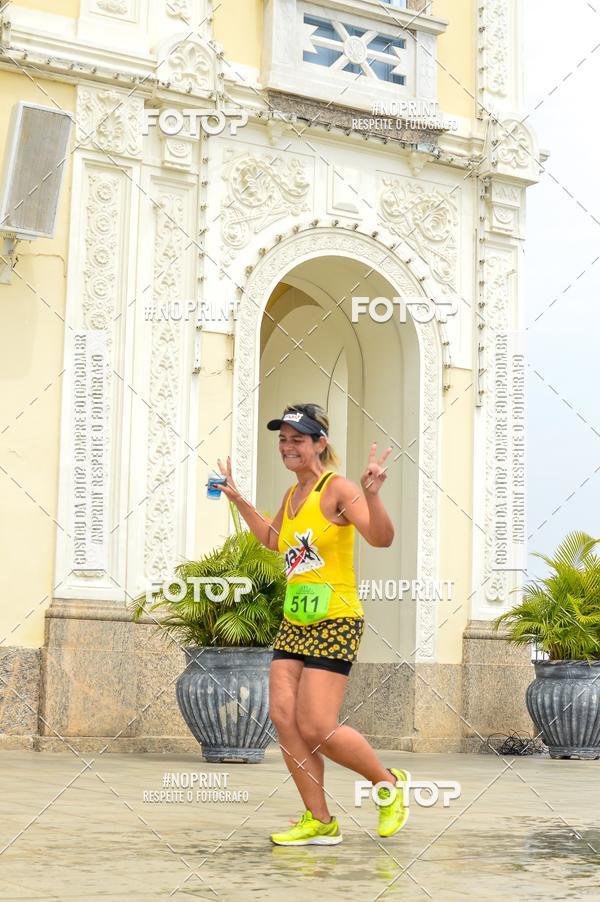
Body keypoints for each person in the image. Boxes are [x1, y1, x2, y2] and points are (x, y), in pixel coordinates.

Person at [216, 402, 410, 845]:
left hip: (336, 619)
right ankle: (320, 820)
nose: (287, 447)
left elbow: (381, 539)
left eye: (297, 440)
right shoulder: (291, 496)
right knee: (284, 719)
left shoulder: (338, 488)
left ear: (319, 444)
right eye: (282, 439)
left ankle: (388, 783)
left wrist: (374, 495)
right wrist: (239, 498)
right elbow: (272, 539)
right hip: (296, 620)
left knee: (318, 725)